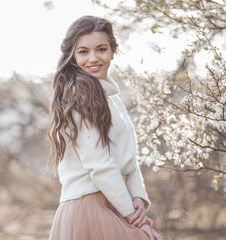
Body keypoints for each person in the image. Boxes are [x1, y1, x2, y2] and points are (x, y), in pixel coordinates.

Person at [47, 16, 163, 240]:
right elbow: (99, 165)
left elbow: (128, 158)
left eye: (101, 49)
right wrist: (132, 215)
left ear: (112, 51)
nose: (93, 58)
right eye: (83, 52)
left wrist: (138, 197)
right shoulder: (79, 97)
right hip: (88, 208)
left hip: (114, 203)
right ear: (72, 56)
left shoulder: (111, 99)